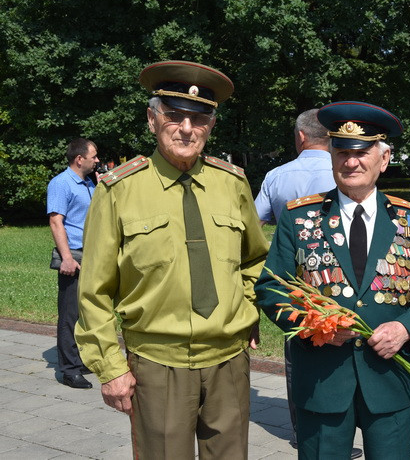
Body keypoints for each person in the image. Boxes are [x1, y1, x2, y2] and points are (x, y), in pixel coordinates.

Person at [75, 61, 269, 459]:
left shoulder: (232, 183)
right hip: (156, 364)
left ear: (211, 126)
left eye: (198, 119)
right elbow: (94, 290)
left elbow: (254, 259)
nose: (186, 128)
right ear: (152, 119)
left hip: (228, 362)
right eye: (174, 115)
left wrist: (247, 308)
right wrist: (111, 367)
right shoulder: (119, 190)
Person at [255, 101, 410, 459]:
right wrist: (315, 326)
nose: (351, 161)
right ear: (332, 156)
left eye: (362, 152)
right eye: (342, 151)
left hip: (390, 378)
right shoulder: (300, 218)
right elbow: (271, 288)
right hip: (323, 380)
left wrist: (406, 329)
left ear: (384, 159)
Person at [253, 108, 354, 455]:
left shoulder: (277, 176)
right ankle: (344, 434)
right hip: (345, 278)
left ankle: (303, 432)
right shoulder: (347, 167)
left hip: (295, 286)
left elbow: (255, 223)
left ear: (300, 137)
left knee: (299, 355)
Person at [47, 137, 99, 389]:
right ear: (80, 159)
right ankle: (69, 370)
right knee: (69, 315)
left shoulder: (88, 183)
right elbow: (56, 221)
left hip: (91, 256)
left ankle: (79, 359)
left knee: (87, 312)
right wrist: (66, 257)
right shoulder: (61, 183)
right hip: (73, 256)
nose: (97, 160)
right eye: (94, 156)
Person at [255, 108, 336, 225]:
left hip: (288, 243)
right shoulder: (347, 174)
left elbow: (254, 224)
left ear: (301, 136)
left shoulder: (274, 176)